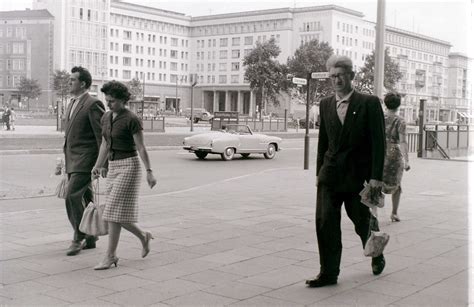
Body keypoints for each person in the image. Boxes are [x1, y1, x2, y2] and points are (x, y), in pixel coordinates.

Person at [306, 55, 387, 288]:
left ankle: (376, 254)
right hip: (330, 176)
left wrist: (375, 179)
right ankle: (328, 273)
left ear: (351, 75)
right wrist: (319, 173)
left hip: (358, 177)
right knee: (325, 223)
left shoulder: (369, 103)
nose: (336, 80)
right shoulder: (325, 103)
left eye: (341, 75)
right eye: (332, 76)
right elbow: (323, 141)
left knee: (362, 222)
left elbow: (379, 143)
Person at [91, 80, 157, 270]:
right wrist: (97, 165)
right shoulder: (106, 117)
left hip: (129, 166)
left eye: (112, 101)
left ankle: (110, 255)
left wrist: (149, 172)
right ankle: (143, 236)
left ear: (122, 100)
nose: (108, 104)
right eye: (107, 100)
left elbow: (141, 147)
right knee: (115, 213)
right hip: (112, 167)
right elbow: (105, 144)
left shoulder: (131, 119)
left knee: (111, 212)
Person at [63, 66, 106, 256]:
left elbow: (102, 137)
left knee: (71, 196)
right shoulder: (72, 102)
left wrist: (102, 164)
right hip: (73, 159)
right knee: (87, 198)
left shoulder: (92, 104)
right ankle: (90, 237)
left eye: (72, 79)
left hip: (86, 160)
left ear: (83, 83)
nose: (69, 82)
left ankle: (79, 236)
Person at [382, 93, 410, 222]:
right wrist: (407, 161)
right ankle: (394, 213)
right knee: (396, 185)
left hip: (380, 153)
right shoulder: (400, 121)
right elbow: (403, 141)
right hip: (394, 155)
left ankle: (373, 213)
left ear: (385, 103)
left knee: (376, 183)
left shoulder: (379, 117)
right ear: (399, 105)